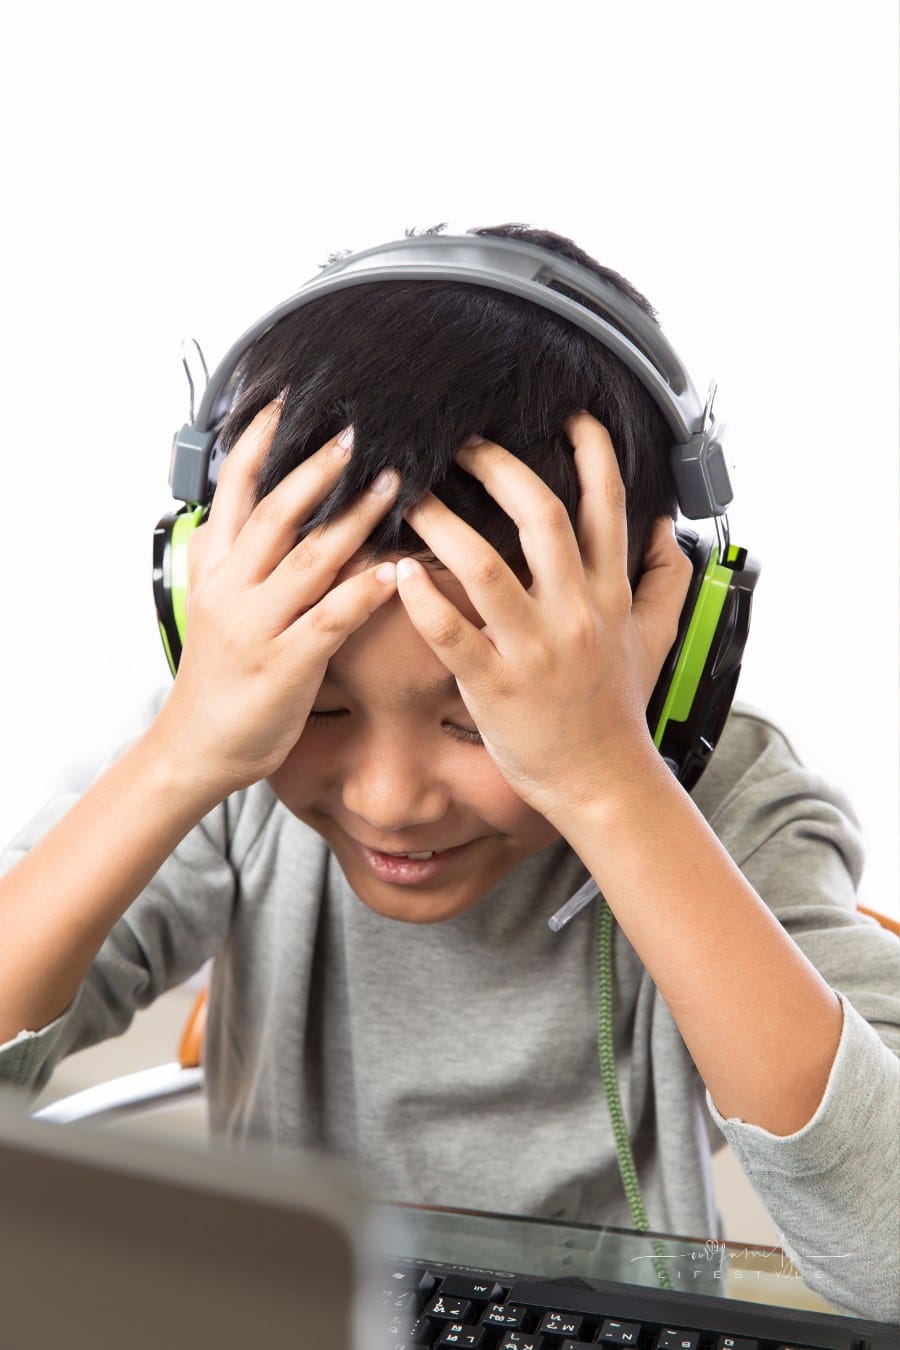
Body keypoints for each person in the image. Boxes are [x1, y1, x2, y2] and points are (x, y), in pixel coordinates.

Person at [0, 223, 897, 1320]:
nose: (389, 798)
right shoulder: (224, 742)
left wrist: (611, 785)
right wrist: (182, 758)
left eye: (478, 722)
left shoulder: (720, 801)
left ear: (662, 641)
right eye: (323, 707)